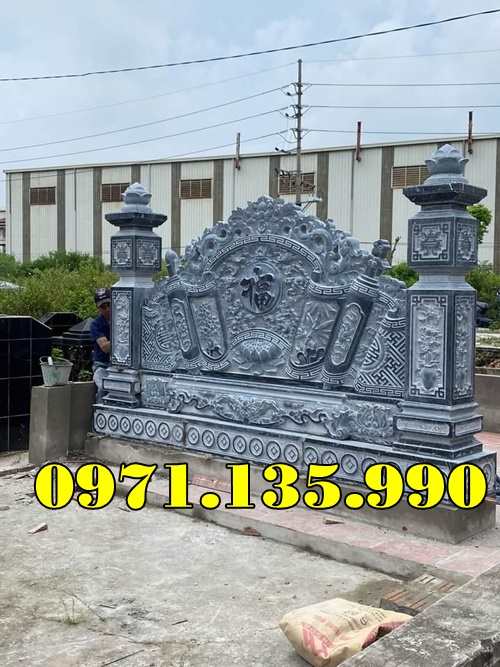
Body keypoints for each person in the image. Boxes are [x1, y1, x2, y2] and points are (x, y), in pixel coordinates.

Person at [90, 288, 111, 400]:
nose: (107, 309)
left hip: (120, 366)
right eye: (103, 306)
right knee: (103, 387)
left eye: (109, 304)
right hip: (102, 364)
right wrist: (123, 339)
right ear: (98, 308)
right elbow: (105, 347)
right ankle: (99, 408)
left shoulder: (122, 319)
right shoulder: (96, 324)